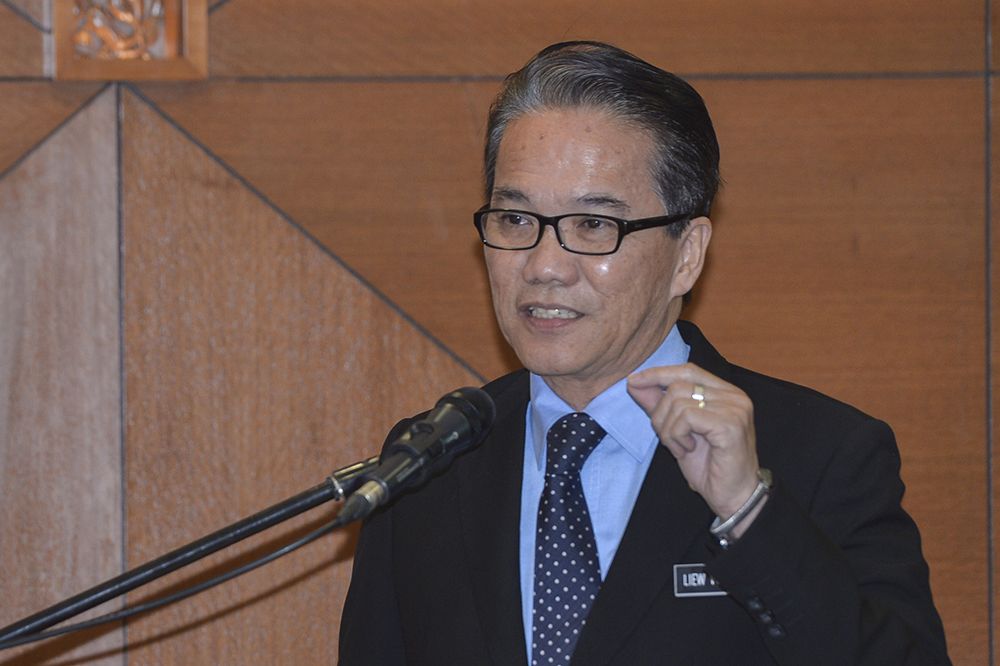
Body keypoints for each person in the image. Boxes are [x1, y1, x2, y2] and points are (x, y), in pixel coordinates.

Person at [339, 41, 949, 665]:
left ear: (687, 253)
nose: (544, 266)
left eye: (594, 226)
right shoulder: (428, 466)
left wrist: (748, 510)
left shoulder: (820, 453)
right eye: (515, 220)